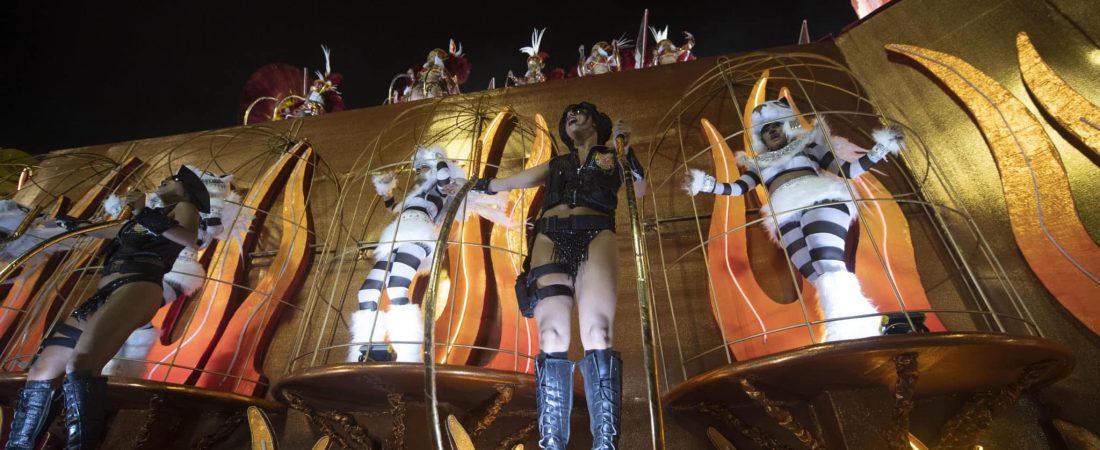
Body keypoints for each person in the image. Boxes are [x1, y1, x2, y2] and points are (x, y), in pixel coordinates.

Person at [471, 102, 645, 450]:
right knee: (551, 336)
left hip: (596, 231)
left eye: (579, 113)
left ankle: (605, 443)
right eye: (567, 115)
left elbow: (638, 193)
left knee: (598, 331)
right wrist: (474, 185)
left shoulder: (611, 157)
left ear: (597, 122)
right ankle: (552, 442)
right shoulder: (557, 164)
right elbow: (508, 182)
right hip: (550, 236)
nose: (571, 118)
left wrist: (629, 150)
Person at [5, 167, 208, 450]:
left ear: (187, 189)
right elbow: (97, 230)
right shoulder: (139, 222)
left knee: (82, 364)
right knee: (42, 369)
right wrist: (51, 225)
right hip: (105, 292)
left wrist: (141, 211)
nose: (163, 180)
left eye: (172, 179)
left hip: (138, 287)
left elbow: (188, 239)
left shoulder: (185, 207)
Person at [683, 97, 904, 342]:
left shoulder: (807, 147)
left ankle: (844, 333)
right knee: (817, 275)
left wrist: (881, 148)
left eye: (775, 125)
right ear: (760, 137)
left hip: (819, 198)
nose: (772, 132)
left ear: (787, 126)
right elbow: (738, 189)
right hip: (785, 213)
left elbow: (847, 170)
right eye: (765, 130)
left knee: (826, 259)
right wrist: (706, 184)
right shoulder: (757, 164)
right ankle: (858, 327)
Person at [348, 146, 465, 363]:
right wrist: (386, 192)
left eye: (422, 168)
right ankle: (365, 349)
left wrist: (438, 159)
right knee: (367, 292)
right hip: (395, 237)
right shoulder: (413, 196)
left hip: (417, 235)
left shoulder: (440, 191)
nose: (418, 172)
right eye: (417, 169)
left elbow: (444, 178)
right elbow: (394, 208)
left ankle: (408, 354)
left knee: (396, 286)